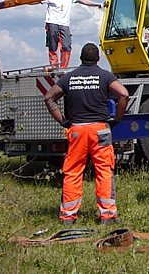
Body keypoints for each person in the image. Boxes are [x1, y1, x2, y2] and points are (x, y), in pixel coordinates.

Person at [43, 43, 129, 225]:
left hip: (76, 130)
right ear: (98, 59)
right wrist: (117, 118)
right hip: (100, 130)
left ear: (81, 58)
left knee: (73, 171)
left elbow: (49, 97)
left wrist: (63, 121)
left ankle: (68, 216)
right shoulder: (105, 76)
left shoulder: (69, 78)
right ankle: (107, 215)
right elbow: (123, 94)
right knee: (104, 171)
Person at [44, 0, 103, 69]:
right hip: (52, 22)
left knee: (66, 46)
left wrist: (97, 4)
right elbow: (37, 0)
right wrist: (24, 1)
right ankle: (54, 66)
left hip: (64, 24)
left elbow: (83, 0)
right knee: (52, 46)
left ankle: (63, 66)